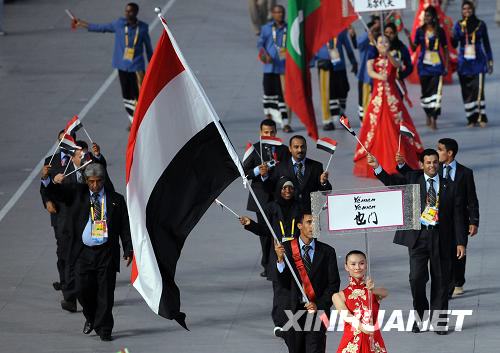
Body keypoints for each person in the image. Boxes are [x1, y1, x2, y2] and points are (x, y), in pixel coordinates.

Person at [367, 149, 466, 334]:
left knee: (441, 280)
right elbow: (391, 182)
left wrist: (461, 242)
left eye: (435, 162)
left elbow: (458, 216)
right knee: (416, 279)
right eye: (428, 162)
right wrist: (378, 168)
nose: (432, 166)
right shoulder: (413, 178)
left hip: (441, 238)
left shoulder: (450, 186)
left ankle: (439, 322)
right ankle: (421, 318)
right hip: (418, 238)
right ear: (422, 164)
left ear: (440, 164)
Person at [41, 163, 133, 341]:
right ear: (86, 181)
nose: (95, 185)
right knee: (83, 290)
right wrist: (48, 180)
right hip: (83, 253)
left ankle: (105, 329)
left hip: (106, 252)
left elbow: (125, 226)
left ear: (104, 181)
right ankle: (91, 318)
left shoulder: (116, 200)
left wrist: (129, 248)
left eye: (99, 181)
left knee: (106, 293)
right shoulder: (77, 194)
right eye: (91, 181)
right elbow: (55, 194)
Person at [353, 34, 423, 178]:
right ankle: (379, 161)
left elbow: (397, 65)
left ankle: (401, 160)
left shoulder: (392, 57)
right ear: (376, 45)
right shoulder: (373, 58)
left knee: (397, 124)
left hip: (392, 97)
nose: (383, 44)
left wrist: (389, 54)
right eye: (380, 42)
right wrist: (379, 77)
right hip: (378, 97)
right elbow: (370, 71)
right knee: (376, 125)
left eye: (385, 42)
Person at [240, 177, 302, 336]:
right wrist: (250, 224)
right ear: (279, 190)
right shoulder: (271, 207)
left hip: (297, 254)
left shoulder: (300, 207)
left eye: (290, 188)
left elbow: (309, 228)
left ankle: (294, 322)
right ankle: (280, 324)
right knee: (280, 291)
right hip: (279, 254)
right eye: (284, 188)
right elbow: (265, 230)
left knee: (296, 290)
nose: (287, 191)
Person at [75, 3, 153, 125]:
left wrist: (153, 66)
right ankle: (133, 120)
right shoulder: (119, 24)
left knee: (140, 95)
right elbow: (101, 28)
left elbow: (148, 49)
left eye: (130, 11)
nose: (127, 13)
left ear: (136, 12)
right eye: (126, 11)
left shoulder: (142, 28)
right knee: (126, 94)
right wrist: (82, 23)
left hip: (137, 68)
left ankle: (142, 119)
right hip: (122, 66)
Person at [274, 212, 340, 353]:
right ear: (299, 225)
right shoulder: (285, 249)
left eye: (316, 223)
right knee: (296, 349)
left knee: (316, 348)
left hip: (319, 311)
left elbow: (333, 284)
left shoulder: (328, 251)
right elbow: (282, 283)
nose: (313, 226)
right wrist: (280, 260)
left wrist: (319, 304)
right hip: (292, 310)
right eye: (309, 222)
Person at [242, 119, 290, 278]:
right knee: (264, 233)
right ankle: (267, 264)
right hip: (261, 199)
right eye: (266, 133)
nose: (269, 135)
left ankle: (279, 262)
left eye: (272, 132)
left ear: (276, 132)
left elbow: (288, 170)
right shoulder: (254, 150)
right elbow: (244, 173)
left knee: (280, 231)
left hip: (279, 198)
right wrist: (257, 171)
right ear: (260, 133)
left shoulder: (283, 150)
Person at [436, 138, 479, 297]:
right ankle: (447, 285)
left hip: (460, 220)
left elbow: (472, 199)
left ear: (450, 153)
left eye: (440, 149)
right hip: (441, 221)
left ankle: (458, 281)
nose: (437, 152)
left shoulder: (465, 173)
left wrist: (474, 221)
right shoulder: (435, 170)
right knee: (443, 253)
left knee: (459, 252)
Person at [40, 130, 76, 295]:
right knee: (62, 250)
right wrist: (47, 201)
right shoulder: (50, 162)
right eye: (61, 141)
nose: (63, 144)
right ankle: (65, 283)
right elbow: (44, 188)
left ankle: (70, 287)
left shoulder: (79, 160)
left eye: (67, 141)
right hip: (59, 214)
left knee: (75, 251)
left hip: (77, 213)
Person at [333, 250, 388, 353]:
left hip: (374, 341)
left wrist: (372, 289)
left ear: (366, 265)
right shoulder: (339, 296)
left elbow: (385, 292)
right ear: (346, 267)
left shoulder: (374, 292)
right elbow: (347, 316)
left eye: (361, 263)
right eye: (353, 264)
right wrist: (363, 328)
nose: (357, 267)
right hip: (351, 342)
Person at [451, 0, 493, 128]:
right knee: (467, 91)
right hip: (464, 63)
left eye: (469, 9)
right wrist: (451, 34)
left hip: (479, 61)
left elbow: (486, 43)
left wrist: (490, 62)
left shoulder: (481, 24)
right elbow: (454, 44)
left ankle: (481, 117)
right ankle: (471, 118)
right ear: (461, 11)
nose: (467, 11)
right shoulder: (458, 25)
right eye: (464, 9)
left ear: (473, 10)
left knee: (479, 89)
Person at [408, 6, 449, 130]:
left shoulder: (440, 31)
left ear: (434, 17)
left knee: (436, 92)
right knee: (425, 92)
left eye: (429, 16)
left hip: (437, 66)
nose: (427, 18)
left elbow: (446, 48)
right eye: (425, 16)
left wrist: (446, 65)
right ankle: (427, 113)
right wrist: (409, 38)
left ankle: (434, 117)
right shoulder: (420, 30)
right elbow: (414, 48)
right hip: (424, 66)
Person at [266, 135, 331, 209]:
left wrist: (323, 182)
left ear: (306, 148)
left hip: (310, 213)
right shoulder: (280, 167)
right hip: (288, 213)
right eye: (296, 147)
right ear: (290, 149)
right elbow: (270, 189)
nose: (300, 150)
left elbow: (327, 192)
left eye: (302, 147)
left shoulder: (316, 166)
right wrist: (265, 176)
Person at [257, 5, 292, 132]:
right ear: (272, 13)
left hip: (284, 69)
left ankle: (286, 123)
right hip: (269, 68)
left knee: (284, 96)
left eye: (282, 12)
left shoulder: (289, 28)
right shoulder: (266, 29)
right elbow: (260, 44)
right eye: (277, 12)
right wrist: (264, 54)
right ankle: (269, 123)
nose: (280, 14)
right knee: (268, 95)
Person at [315, 29, 358, 131]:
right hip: (325, 67)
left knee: (343, 91)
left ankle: (340, 113)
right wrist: (316, 60)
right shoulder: (318, 30)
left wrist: (354, 62)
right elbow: (312, 48)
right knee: (328, 94)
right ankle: (328, 121)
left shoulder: (341, 30)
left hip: (339, 66)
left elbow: (347, 46)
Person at [356, 16, 380, 121]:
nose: (375, 33)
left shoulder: (380, 44)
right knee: (364, 103)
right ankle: (364, 122)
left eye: (377, 31)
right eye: (373, 31)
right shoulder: (364, 43)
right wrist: (372, 29)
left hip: (377, 78)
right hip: (365, 78)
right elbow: (358, 42)